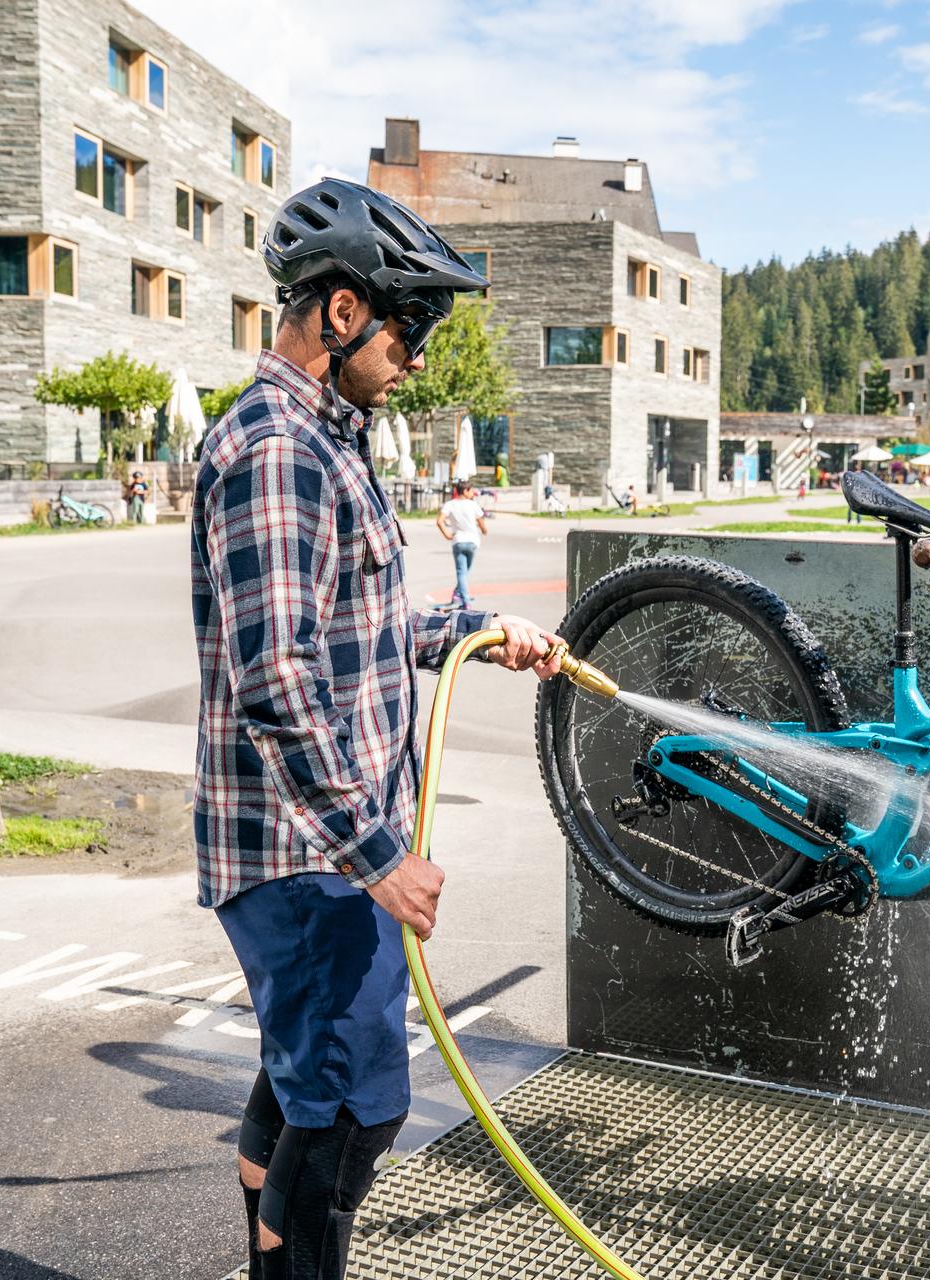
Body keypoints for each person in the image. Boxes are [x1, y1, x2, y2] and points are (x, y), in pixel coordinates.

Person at [191, 177, 562, 1280]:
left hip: (323, 845)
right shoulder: (276, 449)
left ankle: (269, 1250)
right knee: (355, 1111)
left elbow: (358, 623)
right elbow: (277, 677)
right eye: (410, 329)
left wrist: (469, 627)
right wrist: (379, 856)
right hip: (309, 856)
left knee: (302, 1078)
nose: (417, 355)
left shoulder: (326, 434)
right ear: (343, 311)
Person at [435, 479, 488, 609]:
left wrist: (447, 534)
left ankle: (459, 594)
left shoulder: (450, 504)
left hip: (458, 541)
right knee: (465, 572)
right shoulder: (473, 505)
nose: (473, 493)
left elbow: (439, 521)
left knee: (462, 572)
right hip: (472, 542)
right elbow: (481, 522)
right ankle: (466, 602)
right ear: (465, 491)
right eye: (471, 491)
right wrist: (484, 530)